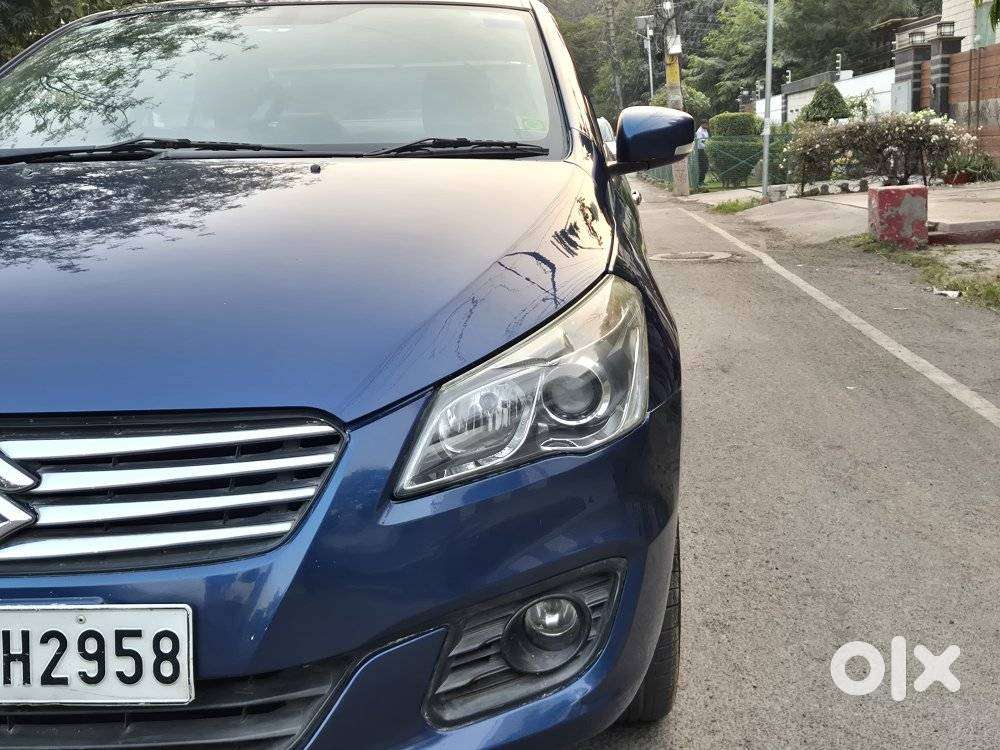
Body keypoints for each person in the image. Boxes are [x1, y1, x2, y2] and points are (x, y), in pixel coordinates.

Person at [695, 121, 710, 186]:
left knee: (706, 166)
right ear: (702, 124)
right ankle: (700, 182)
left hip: (705, 150)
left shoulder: (705, 131)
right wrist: (707, 145)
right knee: (702, 167)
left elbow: (707, 140)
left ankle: (702, 181)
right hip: (700, 151)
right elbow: (700, 142)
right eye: (706, 124)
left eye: (707, 124)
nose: (707, 126)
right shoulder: (699, 132)